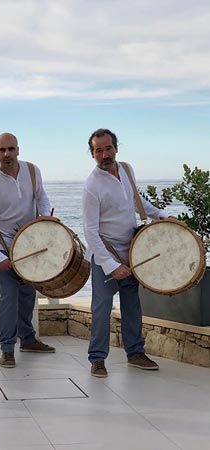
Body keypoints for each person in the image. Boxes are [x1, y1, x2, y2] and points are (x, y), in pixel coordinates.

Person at [83, 128, 170, 378]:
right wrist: (111, 266)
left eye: (108, 148)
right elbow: (90, 231)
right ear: (92, 154)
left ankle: (135, 354)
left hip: (132, 251)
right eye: (98, 150)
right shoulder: (91, 186)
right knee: (101, 308)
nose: (104, 154)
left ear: (116, 148)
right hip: (105, 256)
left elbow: (137, 201)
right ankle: (97, 359)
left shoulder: (126, 170)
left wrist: (163, 216)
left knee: (132, 306)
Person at [0, 132, 55, 368]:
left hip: (30, 246)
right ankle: (7, 349)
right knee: (9, 297)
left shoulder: (32, 171)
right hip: (4, 246)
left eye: (11, 149)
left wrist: (47, 215)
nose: (7, 154)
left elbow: (41, 197)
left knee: (29, 294)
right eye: (2, 150)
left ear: (18, 150)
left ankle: (28, 339)